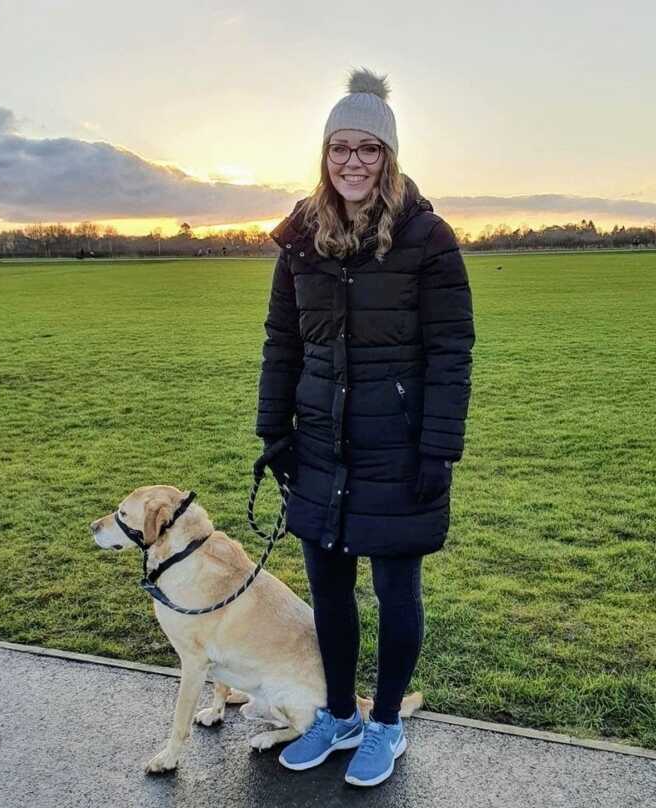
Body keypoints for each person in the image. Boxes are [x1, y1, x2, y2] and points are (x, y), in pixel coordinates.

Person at [254, 66, 475, 787]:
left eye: (368, 148)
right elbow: (282, 341)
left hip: (397, 446)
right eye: (340, 147)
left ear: (389, 156)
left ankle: (384, 724)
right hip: (318, 444)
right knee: (328, 592)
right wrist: (273, 431)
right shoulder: (300, 241)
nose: (352, 161)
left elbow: (451, 348)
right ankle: (340, 714)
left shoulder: (428, 238)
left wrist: (438, 448)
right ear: (324, 155)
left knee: (395, 593)